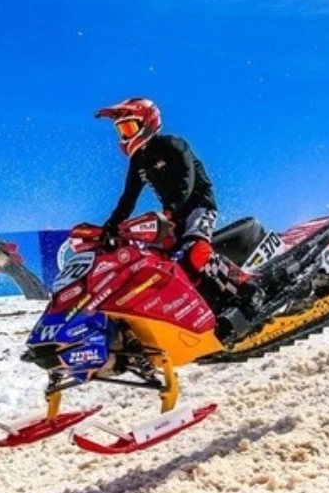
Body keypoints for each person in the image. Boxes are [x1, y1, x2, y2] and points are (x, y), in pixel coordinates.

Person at [95, 97, 258, 331]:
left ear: (147, 123)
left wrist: (170, 209)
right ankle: (211, 306)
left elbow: (186, 181)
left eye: (129, 128)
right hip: (174, 216)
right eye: (121, 130)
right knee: (166, 263)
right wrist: (110, 226)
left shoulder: (173, 144)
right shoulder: (139, 161)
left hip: (199, 205)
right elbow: (128, 198)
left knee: (195, 251)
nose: (125, 136)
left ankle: (248, 289)